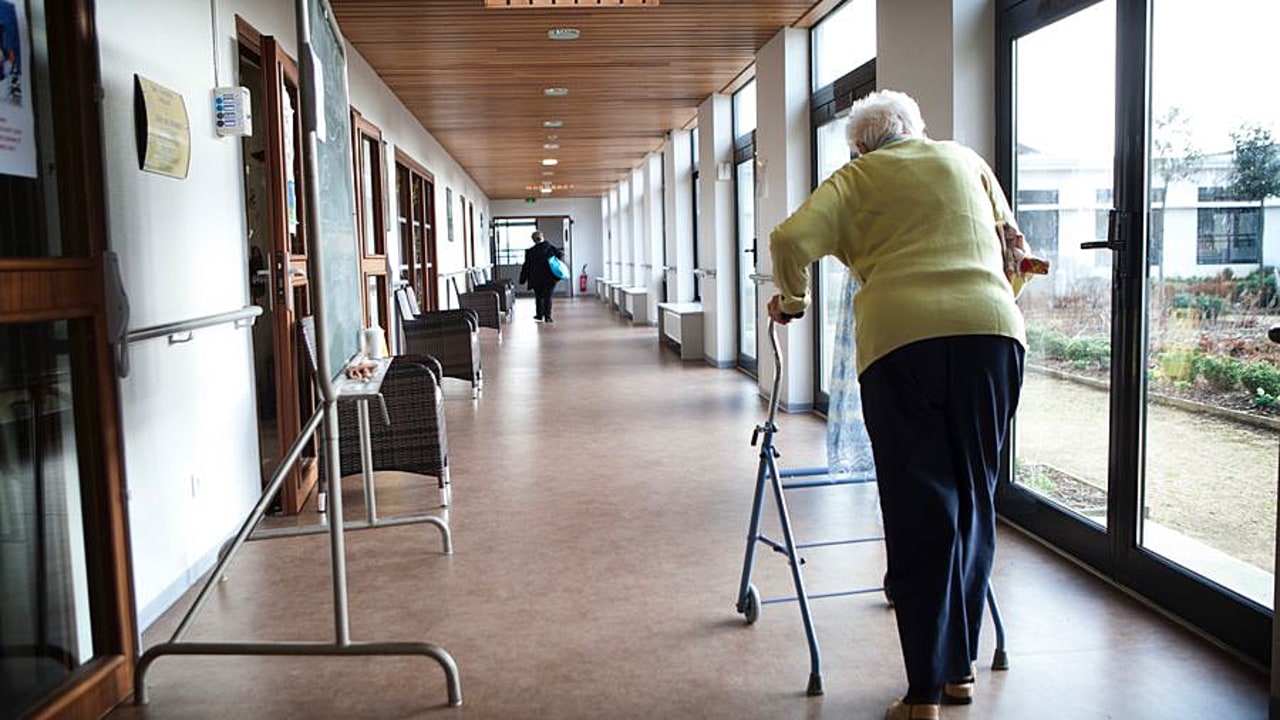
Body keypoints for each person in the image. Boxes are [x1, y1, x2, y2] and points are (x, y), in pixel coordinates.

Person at [767, 90, 1034, 720]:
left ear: (861, 145)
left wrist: (794, 302)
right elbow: (1014, 249)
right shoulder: (966, 161)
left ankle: (922, 694)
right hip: (991, 337)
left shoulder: (857, 177)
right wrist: (1002, 291)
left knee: (920, 506)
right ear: (918, 131)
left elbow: (788, 240)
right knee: (973, 497)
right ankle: (960, 669)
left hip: (901, 344)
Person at [518, 230, 564, 323]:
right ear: (542, 237)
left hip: (536, 278)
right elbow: (560, 255)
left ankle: (539, 315)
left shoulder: (530, 251)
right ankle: (548, 317)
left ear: (533, 240)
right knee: (548, 297)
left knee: (538, 296)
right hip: (550, 278)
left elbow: (526, 266)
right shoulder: (550, 248)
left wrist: (522, 279)